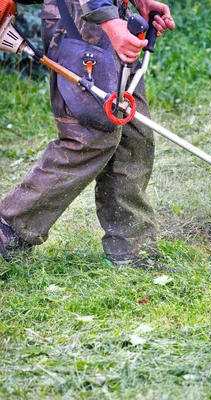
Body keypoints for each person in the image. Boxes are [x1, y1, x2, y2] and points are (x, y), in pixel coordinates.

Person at [0, 0, 175, 267]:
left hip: (110, 10)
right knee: (89, 136)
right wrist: (107, 18)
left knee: (133, 133)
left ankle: (131, 248)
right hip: (81, 17)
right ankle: (8, 230)